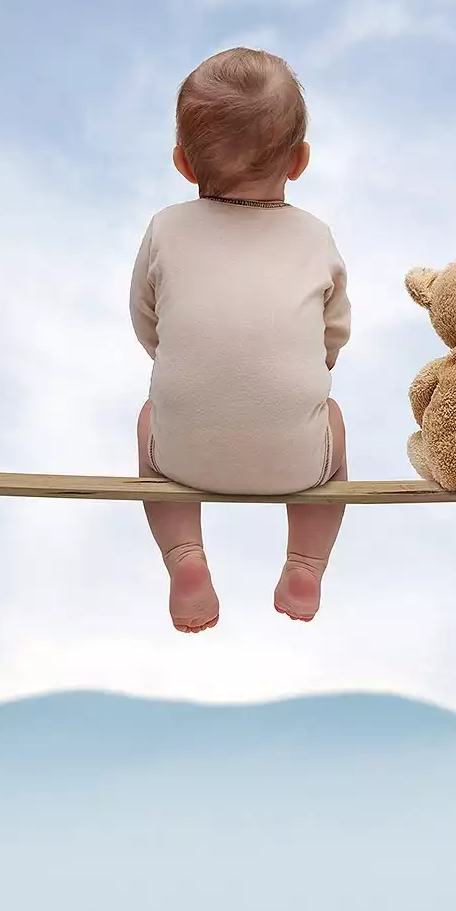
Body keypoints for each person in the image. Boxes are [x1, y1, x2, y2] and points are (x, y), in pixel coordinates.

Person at [129, 47, 351, 633]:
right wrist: (307, 365)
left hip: (182, 458)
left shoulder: (165, 228)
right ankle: (305, 563)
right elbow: (333, 332)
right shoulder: (315, 236)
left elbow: (147, 320)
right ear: (299, 160)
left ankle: (184, 556)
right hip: (298, 462)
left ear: (182, 162)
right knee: (333, 419)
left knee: (150, 418)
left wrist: (186, 360)